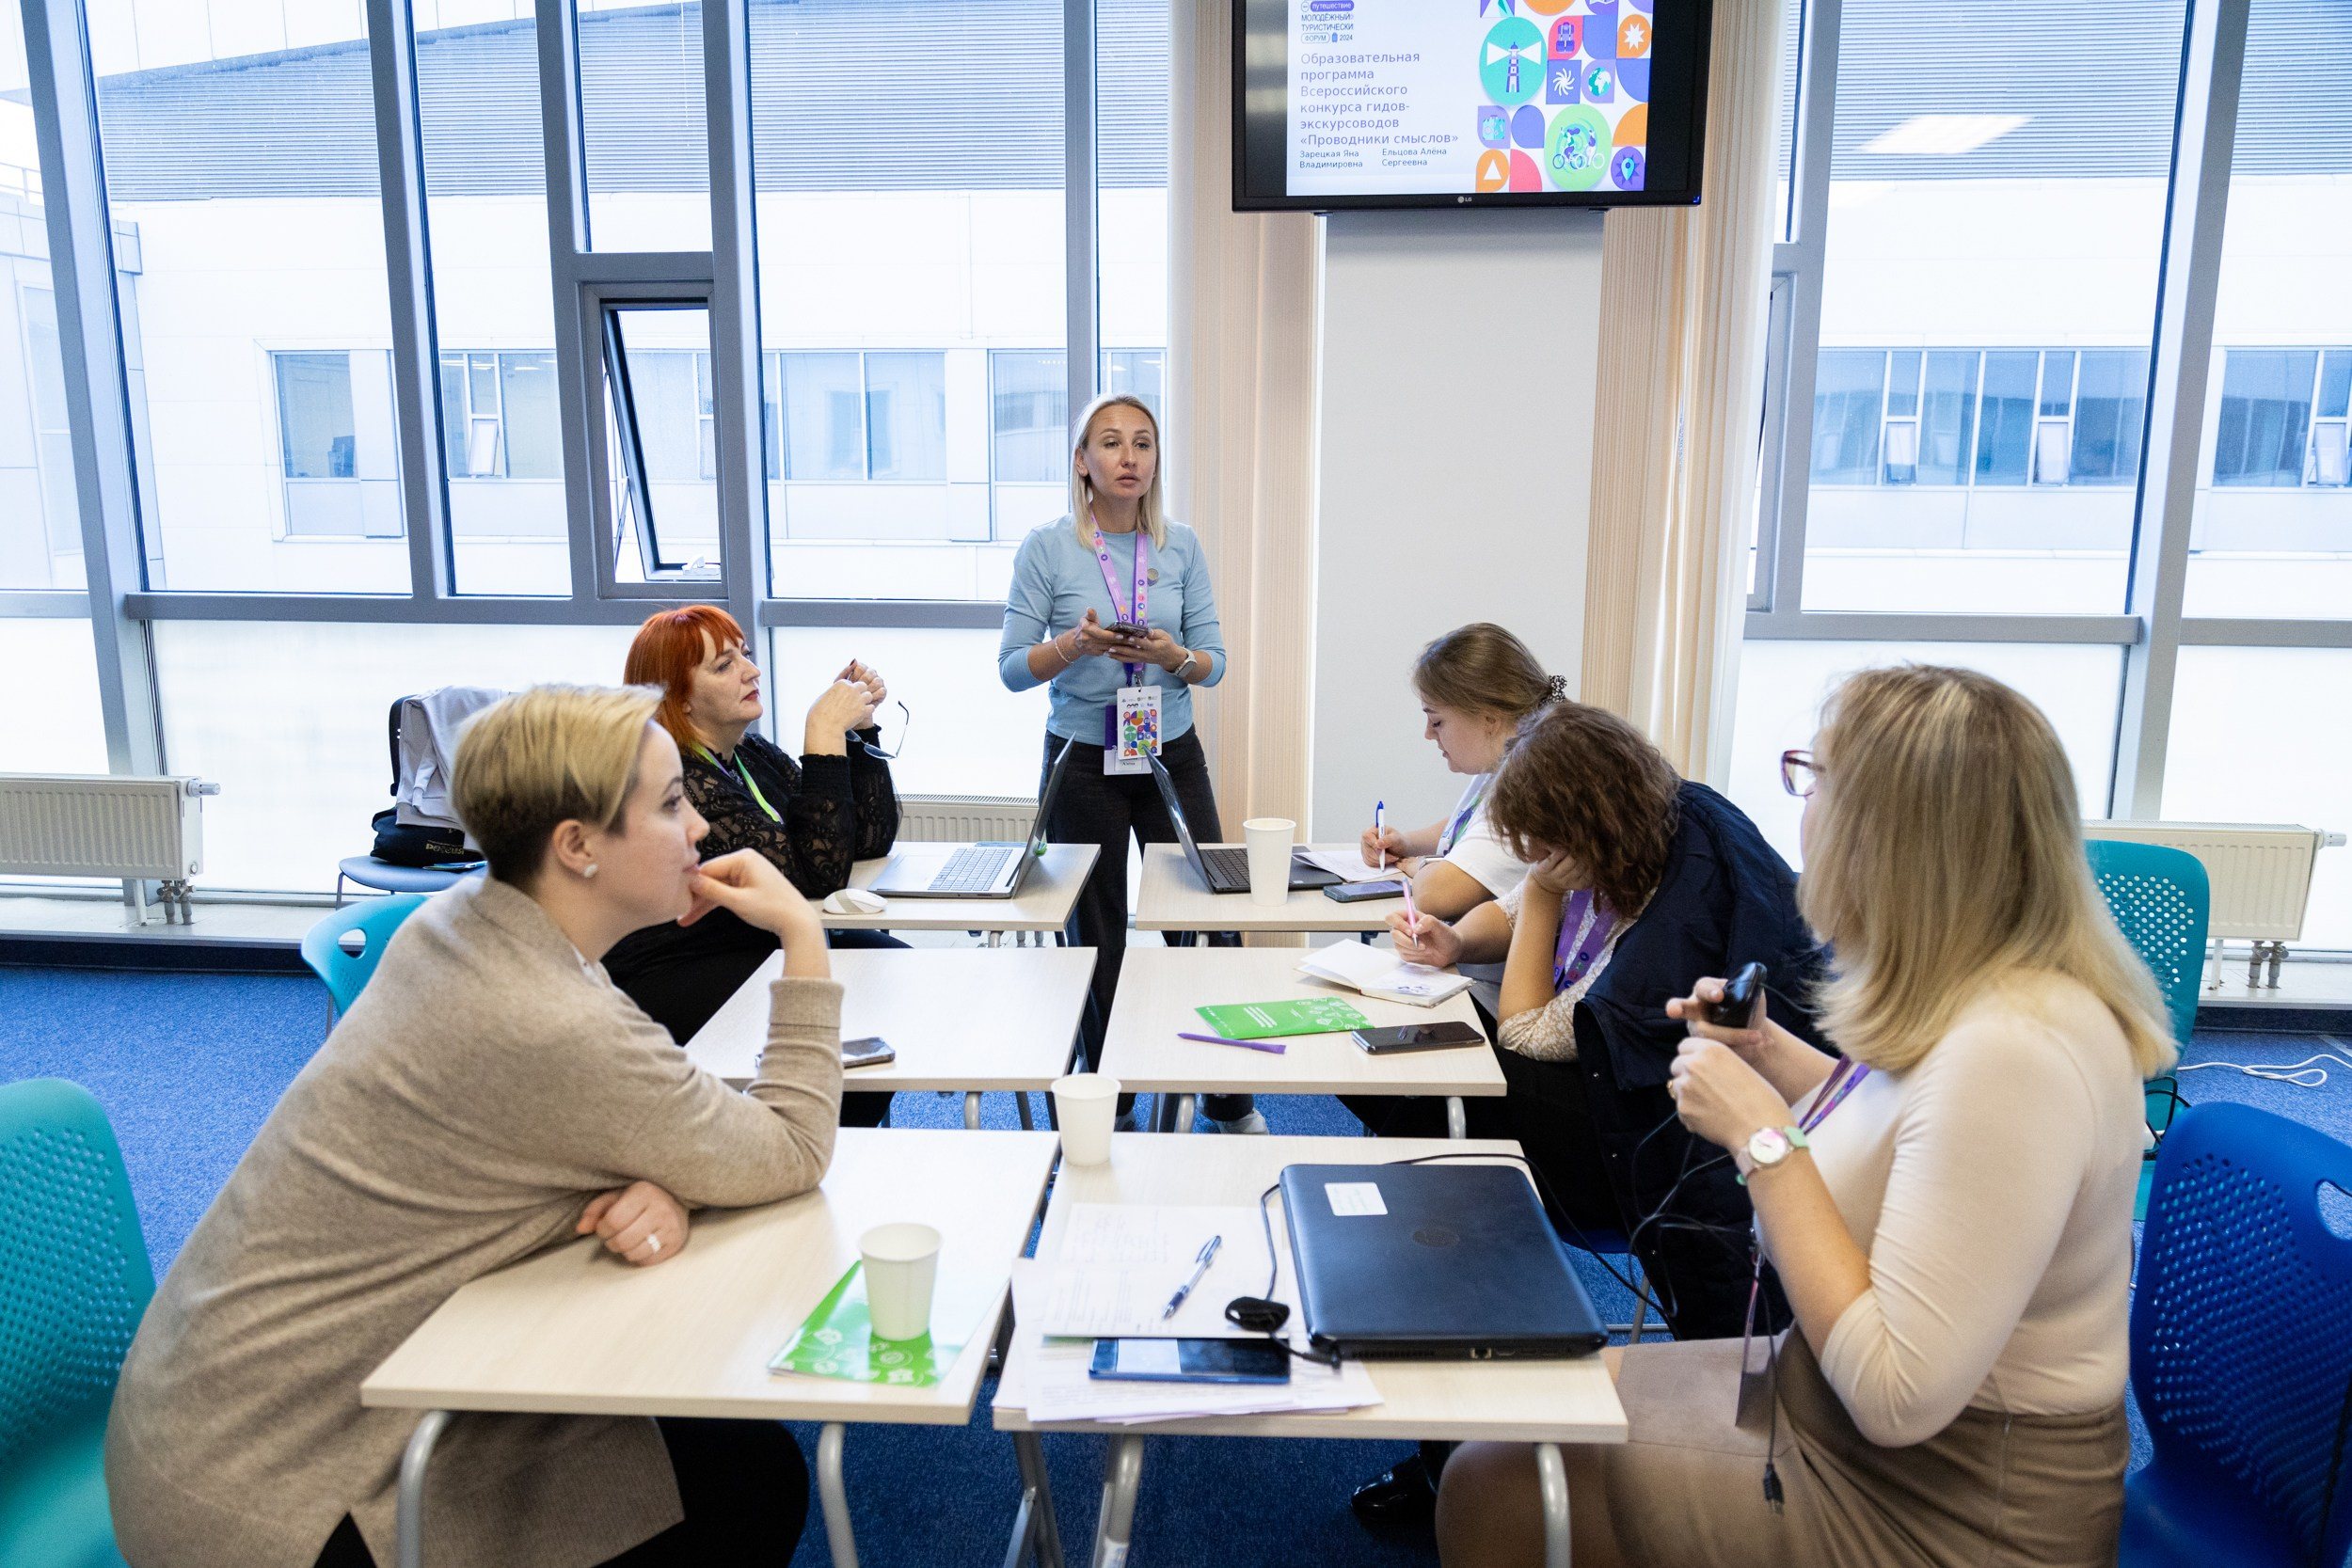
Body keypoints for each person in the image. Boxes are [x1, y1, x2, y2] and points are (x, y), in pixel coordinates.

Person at [1437, 665, 2171, 1568]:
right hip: (1837, 1413)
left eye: (1816, 780)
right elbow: (1914, 1133)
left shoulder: (2016, 1053)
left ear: (1893, 835)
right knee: (1516, 1415)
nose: (1803, 811)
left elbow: (1896, 1394)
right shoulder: (1979, 994)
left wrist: (1761, 1138)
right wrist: (1776, 1058)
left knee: (1495, 1485)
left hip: (1947, 1505)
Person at [107, 684, 844, 1568]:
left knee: (732, 1463)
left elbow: (544, 1126)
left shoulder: (467, 920)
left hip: (209, 1414)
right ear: (576, 847)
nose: (699, 830)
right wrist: (803, 935)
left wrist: (659, 1172)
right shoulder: (546, 1015)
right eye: (672, 803)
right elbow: (793, 1150)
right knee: (746, 1489)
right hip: (274, 1494)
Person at [1348, 698, 1826, 1529]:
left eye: (1545, 848)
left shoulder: (1658, 932)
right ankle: (1442, 1410)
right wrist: (1462, 943)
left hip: (1642, 1145)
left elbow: (1529, 1030)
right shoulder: (1646, 847)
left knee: (1432, 1118)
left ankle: (1449, 1444)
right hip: (1631, 1110)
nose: (1534, 860)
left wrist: (1535, 891)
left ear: (1585, 834)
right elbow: (1544, 927)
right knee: (1411, 1102)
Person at [998, 391, 1254, 1132]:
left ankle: (1228, 1096)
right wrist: (1074, 644)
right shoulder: (1047, 548)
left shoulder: (1182, 544)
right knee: (1097, 934)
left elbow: (1216, 663)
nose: (1129, 457)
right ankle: (1110, 1097)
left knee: (1207, 918)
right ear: (1082, 461)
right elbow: (1014, 669)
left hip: (1171, 749)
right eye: (1110, 443)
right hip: (1081, 756)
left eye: (1143, 443)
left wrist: (1176, 656)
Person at [603, 605, 901, 1127]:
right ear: (678, 699)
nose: (751, 670)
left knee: (896, 970)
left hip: (748, 941)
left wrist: (858, 731)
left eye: (744, 653)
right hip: (678, 964)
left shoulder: (749, 753)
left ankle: (840, 1134)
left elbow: (868, 841)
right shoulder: (681, 775)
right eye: (723, 665)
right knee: (858, 1007)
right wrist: (822, 732)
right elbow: (816, 875)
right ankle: (815, 1140)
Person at [1356, 623, 1562, 1016]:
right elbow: (1466, 825)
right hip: (1471, 976)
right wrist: (1408, 842)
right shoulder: (1507, 757)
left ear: (1489, 718)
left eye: (1437, 721)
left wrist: (1419, 865)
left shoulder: (1536, 782)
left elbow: (1437, 894)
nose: (1429, 736)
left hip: (1494, 997)